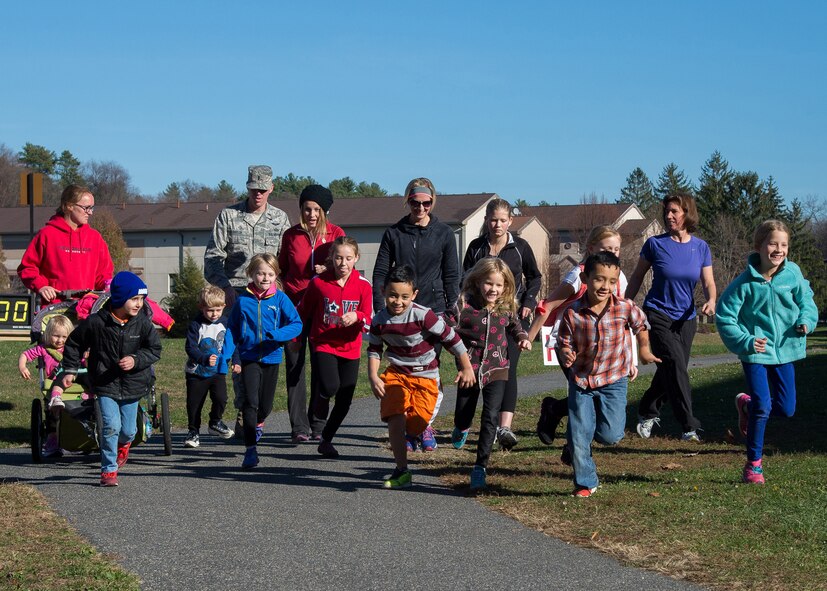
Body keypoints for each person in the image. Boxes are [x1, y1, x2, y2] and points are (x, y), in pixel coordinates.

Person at [715, 220, 817, 484]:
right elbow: (725, 317)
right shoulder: (744, 283)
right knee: (764, 406)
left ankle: (746, 405)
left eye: (784, 244)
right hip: (756, 353)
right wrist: (746, 340)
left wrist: (806, 320)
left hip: (785, 350)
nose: (778, 249)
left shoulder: (792, 274)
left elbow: (807, 300)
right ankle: (753, 466)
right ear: (759, 246)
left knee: (786, 408)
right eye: (773, 243)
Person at [557, 252, 660, 497]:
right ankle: (585, 482)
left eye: (611, 281)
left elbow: (641, 325)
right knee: (581, 432)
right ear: (585, 278)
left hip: (614, 379)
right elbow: (563, 341)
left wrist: (644, 350)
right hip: (582, 380)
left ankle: (573, 444)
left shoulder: (625, 308)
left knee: (611, 435)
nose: (605, 286)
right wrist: (565, 354)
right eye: (599, 279)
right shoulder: (573, 313)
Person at [372, 178, 460, 451]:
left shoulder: (444, 233)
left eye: (426, 203)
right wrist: (381, 308)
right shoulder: (394, 233)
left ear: (433, 202)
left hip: (433, 310)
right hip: (399, 308)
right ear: (407, 201)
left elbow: (452, 274)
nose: (420, 207)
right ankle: (410, 422)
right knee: (403, 368)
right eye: (414, 202)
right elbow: (380, 273)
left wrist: (450, 306)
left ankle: (425, 424)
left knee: (428, 367)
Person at [367, 265, 475, 488]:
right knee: (395, 417)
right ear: (383, 292)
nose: (398, 301)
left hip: (426, 376)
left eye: (404, 297)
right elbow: (375, 350)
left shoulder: (423, 315)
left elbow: (451, 338)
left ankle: (415, 433)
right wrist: (373, 375)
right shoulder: (379, 320)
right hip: (397, 373)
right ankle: (401, 470)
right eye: (393, 296)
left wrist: (466, 366)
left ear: (414, 294)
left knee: (416, 424)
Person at [204, 165, 291, 436]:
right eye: (254, 189)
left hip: (268, 297)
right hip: (238, 295)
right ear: (247, 187)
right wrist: (225, 286)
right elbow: (212, 258)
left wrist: (281, 290)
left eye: (263, 190)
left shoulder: (280, 219)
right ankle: (245, 412)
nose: (258, 194)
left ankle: (258, 412)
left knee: (267, 354)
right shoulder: (229, 216)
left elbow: (286, 261)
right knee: (240, 357)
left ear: (271, 189)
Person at [625, 192, 716, 442]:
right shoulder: (655, 244)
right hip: (658, 313)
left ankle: (647, 410)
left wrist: (711, 300)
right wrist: (624, 303)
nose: (669, 215)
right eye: (667, 211)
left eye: (674, 211)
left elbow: (708, 281)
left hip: (687, 317)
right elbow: (637, 276)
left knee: (672, 368)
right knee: (675, 365)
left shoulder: (701, 247)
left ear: (687, 214)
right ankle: (689, 425)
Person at [528, 225, 628, 453]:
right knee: (585, 395)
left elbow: (622, 313)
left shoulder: (618, 275)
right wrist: (529, 336)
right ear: (592, 248)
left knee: (593, 398)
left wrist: (628, 354)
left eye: (616, 249)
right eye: (606, 248)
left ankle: (556, 412)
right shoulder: (578, 275)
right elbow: (549, 304)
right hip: (569, 344)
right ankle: (574, 445)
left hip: (602, 349)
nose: (612, 253)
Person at [60, 272, 162, 487]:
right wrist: (70, 370)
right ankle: (108, 470)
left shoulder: (143, 323)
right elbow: (74, 343)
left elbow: (154, 349)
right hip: (105, 384)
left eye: (142, 299)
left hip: (133, 384)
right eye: (134, 299)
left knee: (128, 431)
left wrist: (136, 360)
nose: (139, 304)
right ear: (119, 298)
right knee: (110, 426)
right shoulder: (96, 323)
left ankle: (124, 446)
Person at [462, 198, 541, 451]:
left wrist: (528, 300)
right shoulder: (476, 247)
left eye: (502, 220)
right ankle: (472, 420)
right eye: (493, 220)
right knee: (478, 366)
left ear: (510, 221)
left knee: (508, 367)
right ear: (487, 220)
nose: (497, 225)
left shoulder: (520, 247)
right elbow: (465, 278)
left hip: (511, 315)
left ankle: (504, 426)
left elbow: (535, 277)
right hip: (479, 317)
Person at [448, 258, 532, 491]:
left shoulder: (506, 306)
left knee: (490, 417)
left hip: (498, 368)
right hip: (469, 370)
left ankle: (480, 467)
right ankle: (461, 426)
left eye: (499, 285)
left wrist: (523, 338)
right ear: (477, 281)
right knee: (464, 413)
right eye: (488, 284)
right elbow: (446, 326)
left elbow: (515, 326)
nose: (493, 290)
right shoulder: (464, 304)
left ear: (505, 286)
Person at [279, 184, 345, 443]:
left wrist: (327, 270)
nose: (312, 214)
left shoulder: (336, 233)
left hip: (323, 309)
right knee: (295, 366)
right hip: (294, 308)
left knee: (322, 365)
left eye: (317, 209)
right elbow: (282, 270)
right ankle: (299, 427)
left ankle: (318, 424)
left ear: (325, 211)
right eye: (307, 209)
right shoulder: (291, 235)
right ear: (301, 209)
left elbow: (347, 267)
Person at [297, 237, 372, 459]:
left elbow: (368, 316)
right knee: (330, 387)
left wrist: (356, 315)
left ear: (356, 258)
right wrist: (293, 337)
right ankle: (320, 401)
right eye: (338, 257)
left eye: (348, 258)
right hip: (324, 342)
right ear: (331, 258)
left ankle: (326, 439)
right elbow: (303, 311)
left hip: (350, 347)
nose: (343, 263)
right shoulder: (319, 282)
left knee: (345, 398)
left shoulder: (363, 285)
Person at [227, 254, 302, 469]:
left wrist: (278, 335)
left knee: (265, 406)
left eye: (270, 273)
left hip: (271, 357)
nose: (265, 277)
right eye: (260, 273)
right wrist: (226, 356)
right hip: (249, 357)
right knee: (250, 403)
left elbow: (296, 324)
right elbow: (232, 329)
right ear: (251, 274)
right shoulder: (243, 301)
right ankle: (250, 451)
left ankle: (260, 421)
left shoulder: (280, 299)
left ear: (276, 275)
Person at [18, 184, 113, 305]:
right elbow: (27, 267)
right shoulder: (47, 234)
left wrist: (108, 286)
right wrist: (41, 286)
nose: (90, 213)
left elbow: (104, 274)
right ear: (69, 206)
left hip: (87, 308)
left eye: (92, 208)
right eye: (86, 208)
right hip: (55, 308)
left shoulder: (95, 238)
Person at [183, 285, 239, 448]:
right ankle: (193, 432)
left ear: (223, 307)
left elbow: (232, 344)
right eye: (209, 310)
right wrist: (203, 358)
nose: (214, 314)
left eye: (217, 310)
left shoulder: (226, 323)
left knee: (221, 399)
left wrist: (236, 361)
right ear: (201, 308)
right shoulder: (196, 325)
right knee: (194, 404)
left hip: (217, 372)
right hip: (196, 373)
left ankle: (215, 422)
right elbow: (190, 347)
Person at [18, 314, 74, 457]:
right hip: (52, 385)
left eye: (64, 337)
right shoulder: (43, 349)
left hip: (72, 383)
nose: (60, 340)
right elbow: (25, 354)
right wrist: (23, 367)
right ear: (48, 334)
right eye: (56, 336)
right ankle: (52, 439)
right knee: (52, 417)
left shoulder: (72, 349)